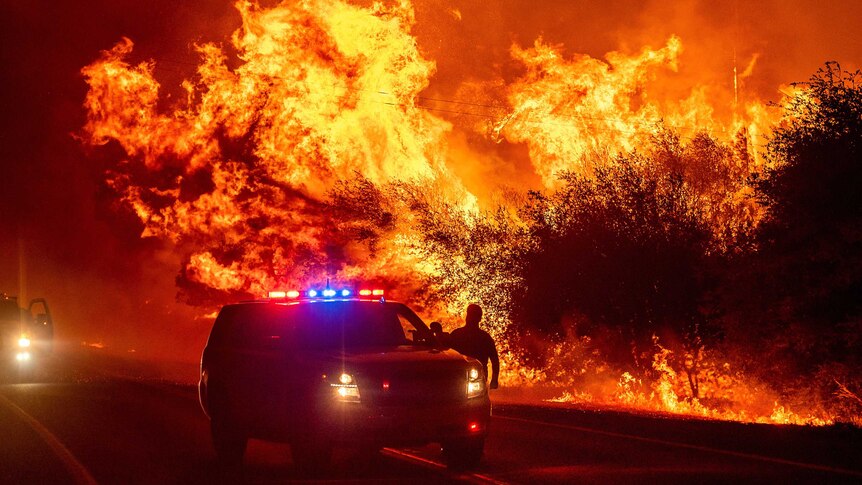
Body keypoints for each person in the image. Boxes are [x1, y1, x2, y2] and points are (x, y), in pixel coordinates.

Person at [449, 304, 499, 389]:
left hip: (476, 377)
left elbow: (494, 359)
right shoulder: (456, 334)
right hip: (459, 376)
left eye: (473, 315)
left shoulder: (484, 337)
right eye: (470, 315)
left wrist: (494, 379)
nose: (471, 318)